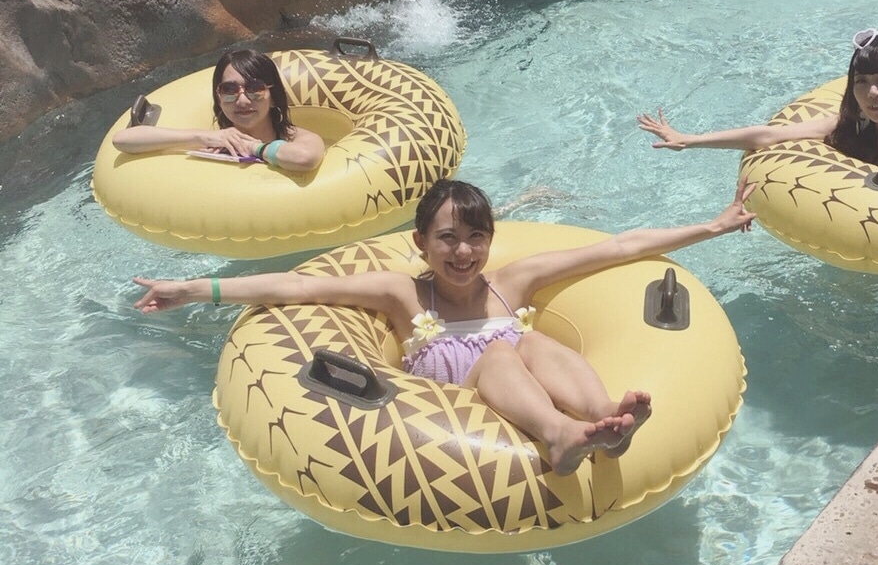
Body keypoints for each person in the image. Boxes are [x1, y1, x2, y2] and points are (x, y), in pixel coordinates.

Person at [132, 177, 756, 476]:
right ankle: (562, 434)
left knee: (530, 339)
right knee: (503, 353)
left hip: (524, 386)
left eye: (476, 237)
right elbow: (296, 287)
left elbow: (617, 247)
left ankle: (604, 421)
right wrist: (193, 289)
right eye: (448, 239)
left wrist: (713, 225)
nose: (463, 253)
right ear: (422, 243)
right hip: (443, 424)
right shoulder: (403, 294)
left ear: (491, 240)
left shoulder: (511, 283)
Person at [637, 26, 878, 236]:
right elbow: (769, 136)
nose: (872, 93)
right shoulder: (852, 127)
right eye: (862, 81)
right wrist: (689, 140)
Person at [112, 48, 325, 171]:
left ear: (273, 97)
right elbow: (122, 140)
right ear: (219, 97)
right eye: (229, 90)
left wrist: (253, 147)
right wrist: (202, 137)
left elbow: (305, 158)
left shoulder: (295, 137)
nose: (242, 100)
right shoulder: (213, 141)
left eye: (255, 89)